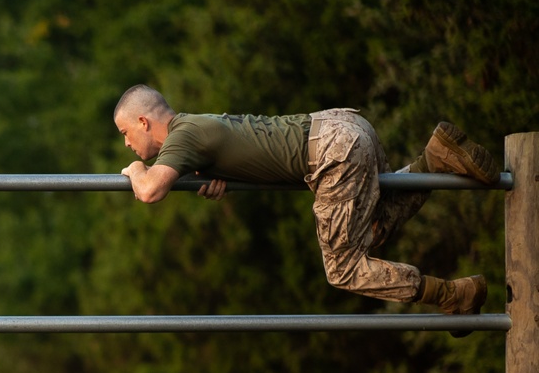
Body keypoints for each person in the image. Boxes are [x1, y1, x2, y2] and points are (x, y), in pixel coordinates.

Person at [113, 85, 499, 327]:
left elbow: (149, 191)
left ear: (144, 122)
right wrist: (215, 180)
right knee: (374, 226)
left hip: (332, 152)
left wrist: (134, 170)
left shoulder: (182, 136)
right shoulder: (194, 127)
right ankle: (434, 159)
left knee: (343, 269)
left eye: (125, 134)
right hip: (344, 128)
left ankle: (454, 296)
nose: (127, 144)